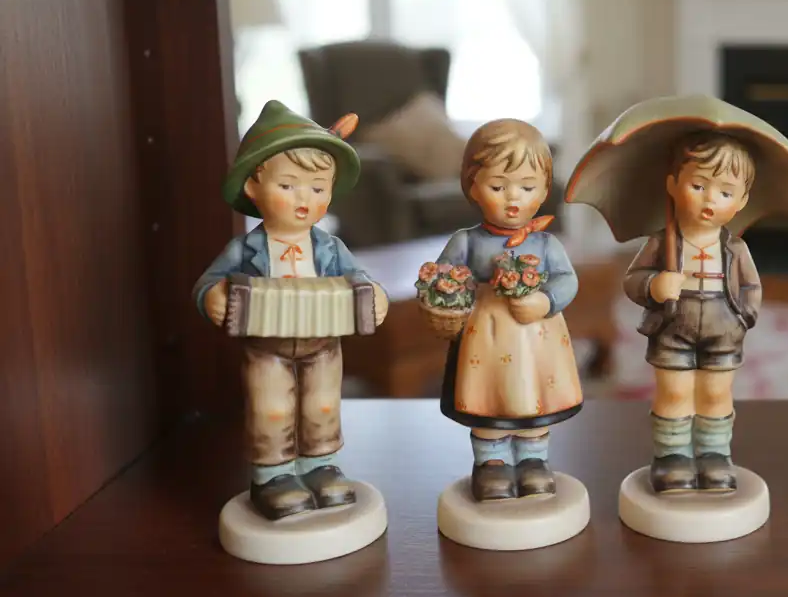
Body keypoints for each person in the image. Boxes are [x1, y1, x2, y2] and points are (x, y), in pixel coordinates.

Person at [192, 100, 388, 520]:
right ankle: (274, 475)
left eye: (318, 189)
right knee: (273, 408)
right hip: (267, 347)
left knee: (322, 405)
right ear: (252, 187)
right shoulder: (245, 250)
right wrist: (214, 296)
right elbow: (210, 282)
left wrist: (374, 293)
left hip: (323, 345)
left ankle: (320, 467)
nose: (305, 199)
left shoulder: (330, 248)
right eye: (288, 186)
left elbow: (360, 278)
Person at [435, 119, 583, 502]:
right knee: (490, 400)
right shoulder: (466, 241)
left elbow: (567, 280)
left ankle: (533, 460)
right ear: (473, 186)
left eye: (527, 186)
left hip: (537, 339)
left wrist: (546, 300)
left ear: (544, 190)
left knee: (532, 398)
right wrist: (445, 291)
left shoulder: (548, 244)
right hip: (484, 341)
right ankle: (492, 463)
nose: (512, 197)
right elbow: (445, 276)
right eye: (498, 186)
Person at [622, 131, 763, 494]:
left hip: (723, 324)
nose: (710, 199)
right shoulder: (661, 241)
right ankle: (672, 457)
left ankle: (714, 455)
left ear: (742, 200)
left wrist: (744, 316)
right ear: (672, 184)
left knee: (716, 392)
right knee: (674, 391)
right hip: (673, 325)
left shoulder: (735, 248)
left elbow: (751, 288)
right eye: (698, 185)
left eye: (725, 192)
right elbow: (633, 279)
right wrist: (654, 286)